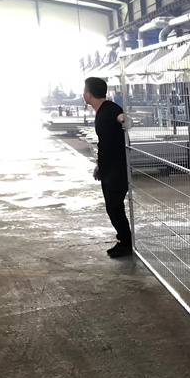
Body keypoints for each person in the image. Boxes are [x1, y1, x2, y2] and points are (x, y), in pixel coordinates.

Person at [83, 77, 133, 258]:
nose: (83, 93)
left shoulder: (111, 110)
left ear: (88, 94)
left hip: (117, 170)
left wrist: (124, 119)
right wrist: (99, 166)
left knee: (114, 207)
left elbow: (121, 119)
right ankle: (125, 240)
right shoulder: (103, 110)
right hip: (109, 169)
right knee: (113, 207)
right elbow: (106, 142)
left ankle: (126, 243)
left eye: (84, 90)